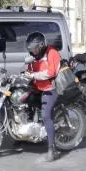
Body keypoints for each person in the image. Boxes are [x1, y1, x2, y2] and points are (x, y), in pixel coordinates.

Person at [25, 32, 61, 162]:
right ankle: (26, 136)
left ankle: (52, 148)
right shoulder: (34, 55)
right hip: (37, 87)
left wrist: (34, 76)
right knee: (23, 102)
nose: (33, 51)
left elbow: (51, 72)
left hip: (50, 89)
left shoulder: (52, 53)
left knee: (46, 116)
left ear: (41, 45)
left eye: (34, 48)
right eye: (30, 49)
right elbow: (30, 69)